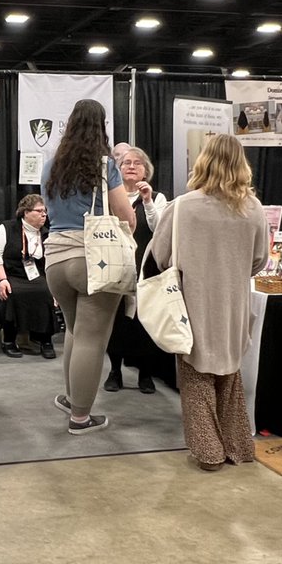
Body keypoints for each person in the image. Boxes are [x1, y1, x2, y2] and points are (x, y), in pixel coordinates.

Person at [148, 134, 268, 471]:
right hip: (234, 303)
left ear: (203, 161)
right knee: (229, 377)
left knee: (195, 376)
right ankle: (238, 446)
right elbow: (260, 260)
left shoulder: (183, 206)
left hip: (193, 303)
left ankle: (209, 452)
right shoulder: (254, 208)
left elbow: (160, 256)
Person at [42, 99, 136, 435]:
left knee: (74, 331)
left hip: (54, 258)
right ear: (101, 126)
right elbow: (127, 216)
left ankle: (71, 398)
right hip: (93, 257)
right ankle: (81, 417)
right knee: (91, 339)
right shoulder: (104, 165)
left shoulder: (50, 164)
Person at [104, 146, 174, 394]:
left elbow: (160, 231)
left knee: (146, 323)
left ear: (146, 170)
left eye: (137, 163)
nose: (131, 166)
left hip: (146, 271)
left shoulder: (159, 198)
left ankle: (145, 374)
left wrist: (147, 201)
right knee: (116, 323)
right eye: (126, 163)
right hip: (115, 268)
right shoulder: (109, 196)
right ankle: (115, 371)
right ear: (118, 169)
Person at [0, 194, 58, 359]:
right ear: (25, 212)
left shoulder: (47, 234)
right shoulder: (7, 228)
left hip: (34, 275)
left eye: (45, 211)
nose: (44, 215)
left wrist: (55, 287)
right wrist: (2, 280)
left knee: (46, 291)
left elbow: (51, 262)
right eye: (39, 211)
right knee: (11, 292)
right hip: (7, 273)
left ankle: (45, 340)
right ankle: (9, 341)